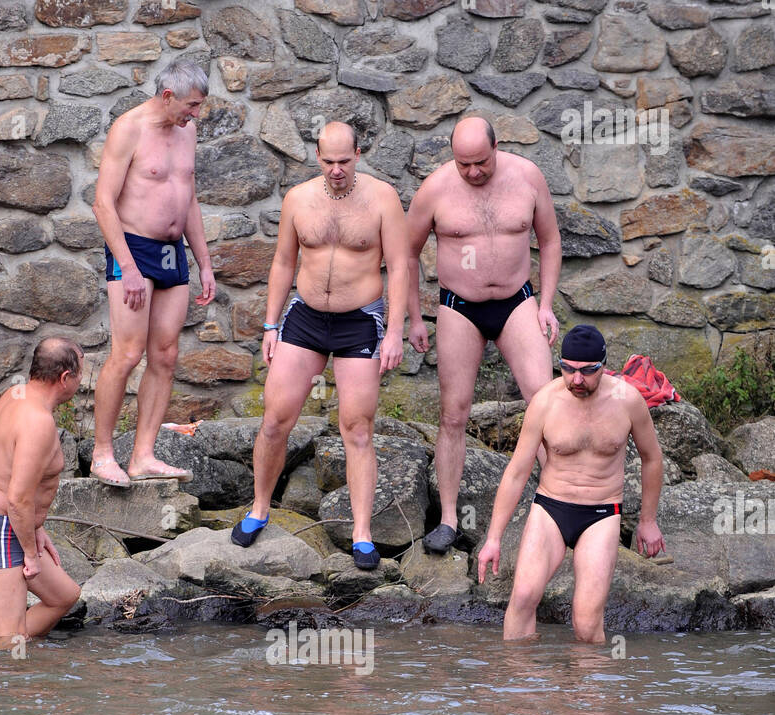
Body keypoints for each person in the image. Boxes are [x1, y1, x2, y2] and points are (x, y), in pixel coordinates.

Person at [231, 121, 408, 571]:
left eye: (344, 162)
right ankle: (259, 509)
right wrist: (270, 325)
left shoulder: (383, 198)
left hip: (359, 322)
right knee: (275, 420)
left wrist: (394, 331)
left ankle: (362, 534)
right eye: (328, 162)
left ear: (359, 154)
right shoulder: (298, 198)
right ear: (316, 157)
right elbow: (284, 260)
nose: (335, 170)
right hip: (305, 318)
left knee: (358, 428)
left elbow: (401, 267)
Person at [406, 115, 562, 554]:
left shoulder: (527, 176)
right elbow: (406, 252)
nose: (473, 172)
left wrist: (546, 303)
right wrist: (416, 318)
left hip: (517, 302)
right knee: (454, 414)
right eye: (463, 164)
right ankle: (450, 520)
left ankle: (561, 504)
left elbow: (549, 240)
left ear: (497, 149)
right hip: (459, 307)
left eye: (481, 163)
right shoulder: (435, 189)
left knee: (544, 400)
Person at [476, 325, 666, 644]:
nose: (576, 380)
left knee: (586, 621)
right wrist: (493, 538)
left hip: (602, 513)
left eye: (587, 372)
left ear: (603, 366)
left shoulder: (628, 400)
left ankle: (587, 693)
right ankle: (519, 690)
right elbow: (517, 471)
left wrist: (647, 521)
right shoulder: (545, 401)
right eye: (568, 369)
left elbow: (653, 459)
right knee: (522, 598)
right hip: (550, 507)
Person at [90, 60, 216, 488]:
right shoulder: (129, 128)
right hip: (134, 248)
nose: (195, 113)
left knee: (165, 355)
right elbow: (103, 203)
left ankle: (143, 455)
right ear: (167, 96)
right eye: (191, 105)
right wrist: (125, 265)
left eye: (199, 106)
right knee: (127, 354)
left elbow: (189, 196)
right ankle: (102, 454)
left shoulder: (187, 131)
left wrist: (205, 261)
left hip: (172, 253)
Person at [0, 338, 84, 641]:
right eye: (81, 375)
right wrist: (29, 552)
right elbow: (17, 498)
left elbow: (11, 478)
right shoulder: (38, 422)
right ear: (65, 377)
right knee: (9, 644)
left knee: (64, 596)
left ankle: (21, 662)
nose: (81, 383)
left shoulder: (15, 394)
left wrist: (35, 528)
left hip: (7, 524)